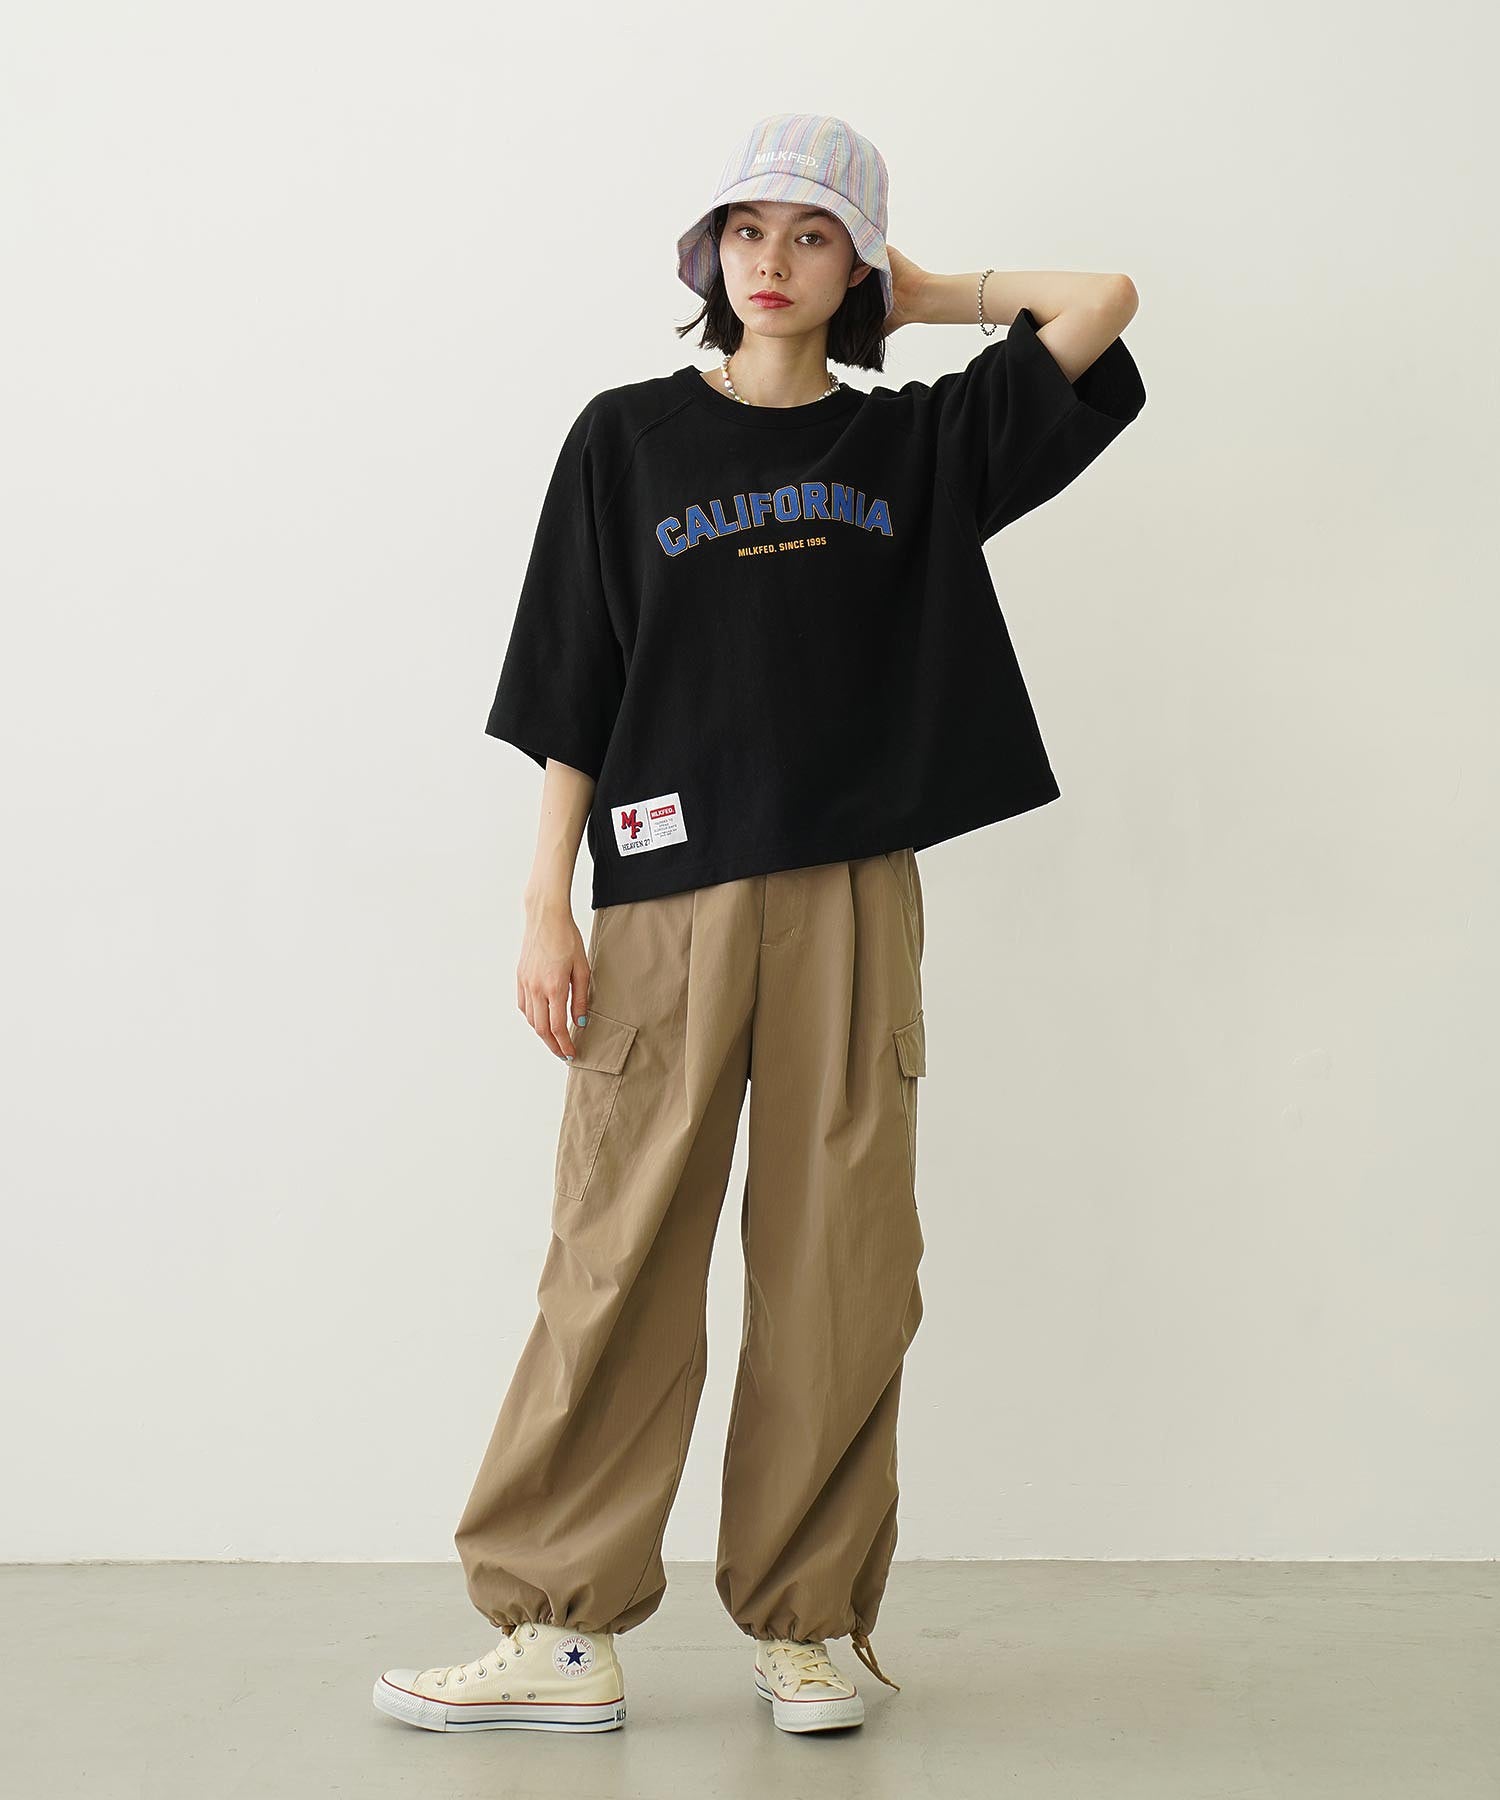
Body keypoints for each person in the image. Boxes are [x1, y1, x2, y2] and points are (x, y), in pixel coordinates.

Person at [372, 111, 1146, 1739]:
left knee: (840, 1261)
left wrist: (927, 296)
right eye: (746, 231)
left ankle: (808, 1626)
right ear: (706, 254)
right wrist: (545, 901)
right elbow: (571, 678)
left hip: (853, 895)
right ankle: (560, 1629)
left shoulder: (913, 447)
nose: (771, 262)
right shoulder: (627, 438)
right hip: (663, 899)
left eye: (811, 236)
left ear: (853, 263)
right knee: (617, 1253)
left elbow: (1105, 301)